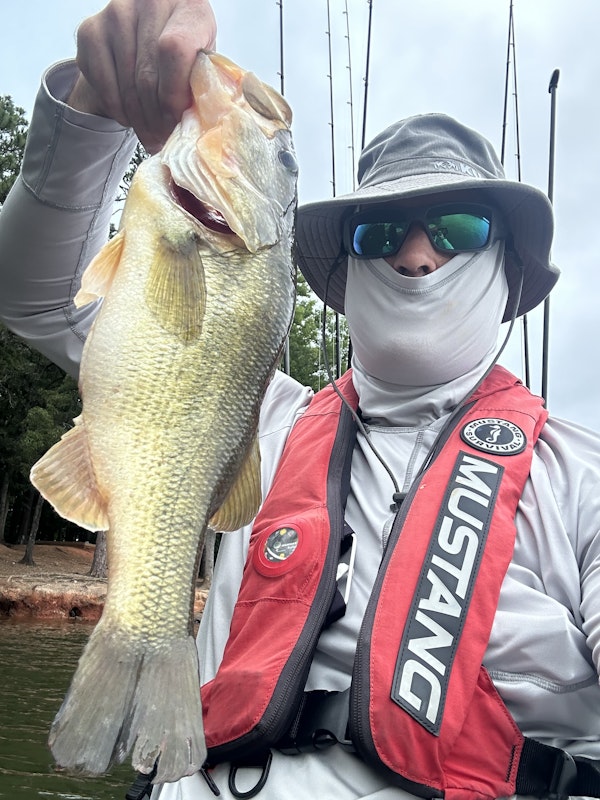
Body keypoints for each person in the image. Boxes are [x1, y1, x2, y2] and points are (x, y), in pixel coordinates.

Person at [2, 2, 600, 799]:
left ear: (510, 269)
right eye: (379, 232)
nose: (416, 256)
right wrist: (92, 111)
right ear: (342, 276)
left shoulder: (582, 477)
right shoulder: (260, 413)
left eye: (459, 225)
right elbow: (35, 298)